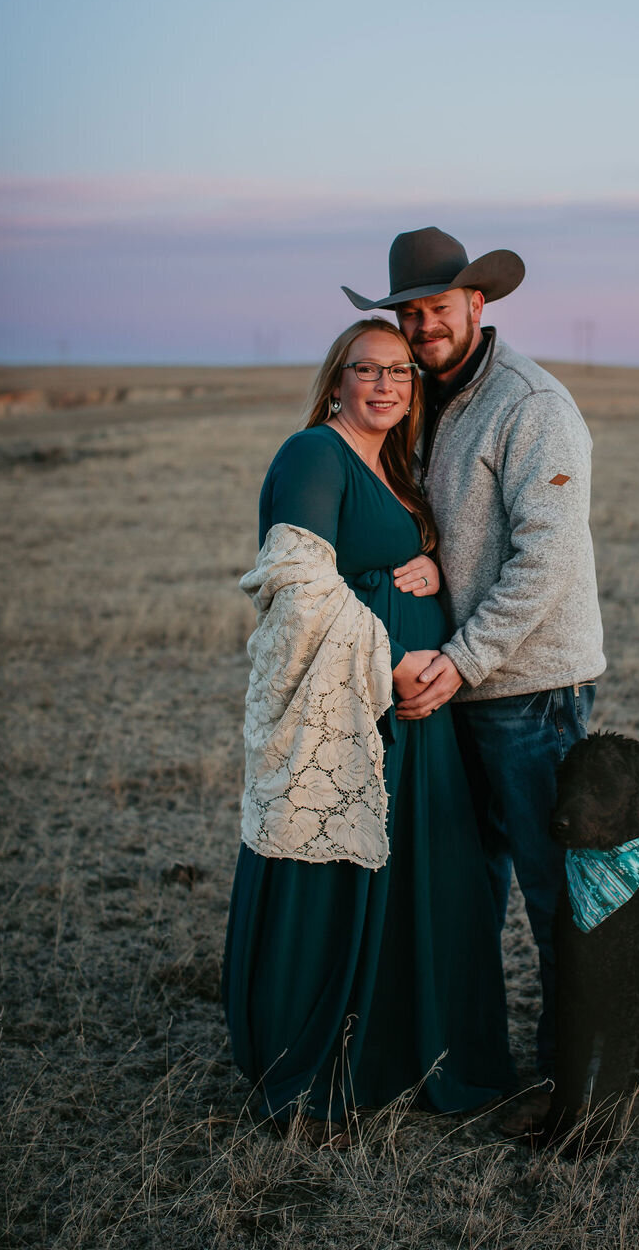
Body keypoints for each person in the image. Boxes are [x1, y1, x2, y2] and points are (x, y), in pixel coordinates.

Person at [222, 317, 513, 1138]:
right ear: (338, 379)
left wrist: (430, 571)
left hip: (416, 718)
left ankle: (397, 1056)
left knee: (412, 879)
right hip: (351, 710)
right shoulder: (314, 454)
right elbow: (298, 584)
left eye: (401, 373)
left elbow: (369, 567)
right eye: (368, 370)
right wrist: (388, 664)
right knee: (334, 878)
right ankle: (304, 1073)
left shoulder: (393, 469)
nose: (386, 385)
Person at [342, 231, 605, 1123]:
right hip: (461, 694)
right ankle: (469, 1059)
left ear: (477, 305)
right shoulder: (432, 400)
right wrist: (428, 563)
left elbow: (547, 558)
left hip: (529, 693)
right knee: (469, 888)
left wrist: (458, 657)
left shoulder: (531, 404)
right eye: (409, 315)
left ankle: (581, 1086)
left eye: (437, 312)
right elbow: (454, 521)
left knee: (551, 890)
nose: (423, 330)